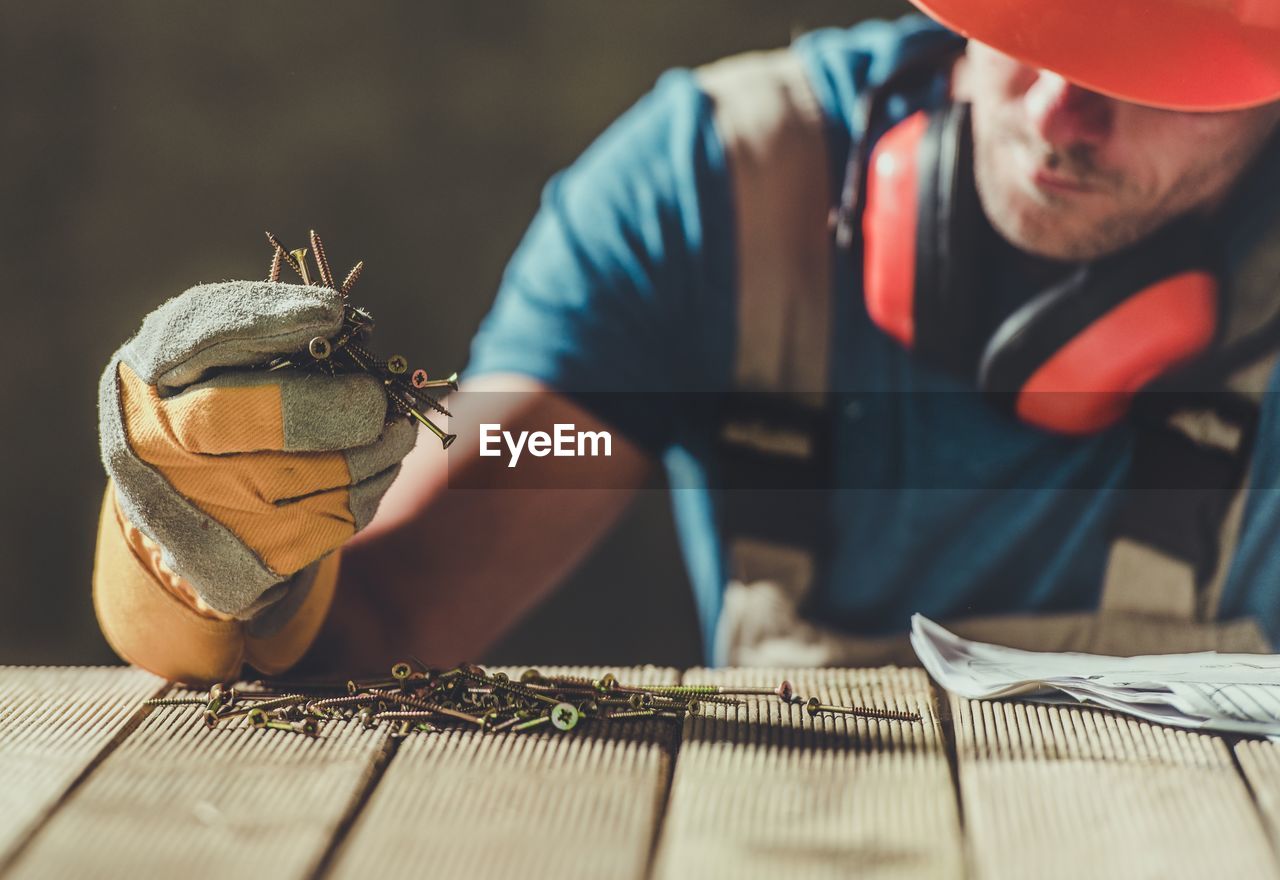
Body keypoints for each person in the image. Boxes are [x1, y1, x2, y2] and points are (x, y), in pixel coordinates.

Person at [94, 0, 1280, 684]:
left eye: (1158, 74)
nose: (1059, 111)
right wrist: (228, 548)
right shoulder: (717, 200)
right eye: (1046, 17)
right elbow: (415, 588)